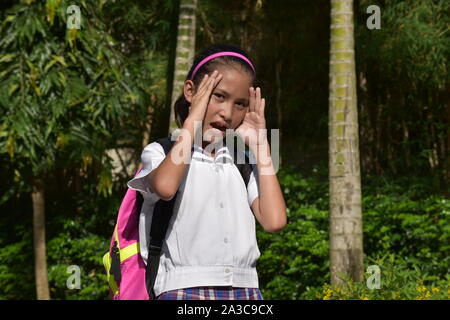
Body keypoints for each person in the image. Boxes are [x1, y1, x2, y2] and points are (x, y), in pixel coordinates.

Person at [127, 44, 286, 300]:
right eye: (219, 96)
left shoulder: (242, 161)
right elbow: (166, 187)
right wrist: (192, 122)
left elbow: (274, 221)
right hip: (183, 291)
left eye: (240, 104)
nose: (227, 113)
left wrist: (261, 148)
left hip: (246, 291)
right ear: (190, 91)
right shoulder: (160, 152)